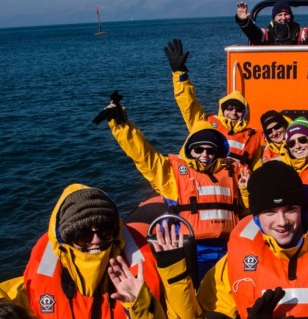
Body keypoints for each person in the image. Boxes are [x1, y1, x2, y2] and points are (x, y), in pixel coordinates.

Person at [194, 161, 308, 318]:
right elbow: (212, 312)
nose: (282, 223)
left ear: (302, 209)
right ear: (256, 215)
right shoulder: (233, 262)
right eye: (270, 212)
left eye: (290, 209)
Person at [94, 92, 246, 280]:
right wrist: (121, 125)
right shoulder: (173, 175)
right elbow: (144, 156)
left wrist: (246, 190)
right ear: (189, 149)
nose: (204, 155)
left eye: (210, 150)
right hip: (191, 250)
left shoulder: (232, 171)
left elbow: (244, 208)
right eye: (198, 149)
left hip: (228, 248)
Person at [0, 184, 189, 318]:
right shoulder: (45, 273)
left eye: (105, 231)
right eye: (82, 236)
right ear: (65, 239)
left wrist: (140, 303)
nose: (96, 241)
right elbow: (14, 292)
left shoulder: (139, 275)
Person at [164, 39, 263, 170]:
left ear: (244, 113)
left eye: (238, 109)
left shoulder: (254, 136)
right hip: (202, 178)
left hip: (233, 186)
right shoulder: (206, 123)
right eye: (229, 108)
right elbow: (188, 104)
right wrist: (179, 74)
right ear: (222, 109)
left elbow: (258, 169)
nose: (233, 113)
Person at [235, 0, 308, 45]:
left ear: (291, 16)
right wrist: (243, 21)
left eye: (286, 14)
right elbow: (253, 33)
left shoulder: (301, 34)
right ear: (274, 18)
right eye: (279, 15)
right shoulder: (266, 35)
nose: (283, 18)